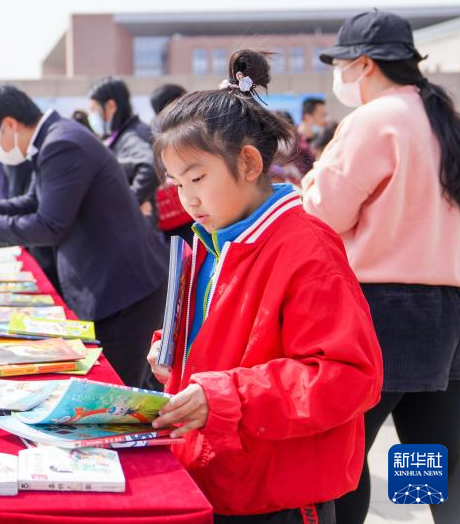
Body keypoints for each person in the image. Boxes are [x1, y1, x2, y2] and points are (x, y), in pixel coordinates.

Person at [146, 49, 383, 523]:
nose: (187, 199)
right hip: (222, 475)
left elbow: (348, 376)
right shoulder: (215, 236)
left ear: (250, 163)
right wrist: (172, 349)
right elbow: (223, 338)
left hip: (277, 493)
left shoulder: (306, 247)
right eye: (177, 184)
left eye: (197, 178)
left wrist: (225, 395)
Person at [303, 9, 460, 524]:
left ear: (365, 64)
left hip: (387, 311)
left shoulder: (375, 121)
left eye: (341, 64)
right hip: (452, 309)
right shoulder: (446, 120)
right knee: (433, 456)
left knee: (348, 456)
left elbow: (322, 214)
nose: (340, 76)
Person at [0, 84, 168, 387]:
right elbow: (34, 201)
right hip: (113, 284)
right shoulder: (53, 138)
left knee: (114, 392)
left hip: (124, 290)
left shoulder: (61, 144)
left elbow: (51, 225)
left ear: (8, 125)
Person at [88, 77, 159, 208]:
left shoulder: (133, 135)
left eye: (93, 109)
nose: (91, 116)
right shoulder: (120, 135)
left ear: (110, 106)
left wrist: (129, 202)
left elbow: (151, 166)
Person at [150, 84, 195, 244]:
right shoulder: (175, 129)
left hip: (171, 212)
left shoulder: (155, 127)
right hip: (181, 208)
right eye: (184, 99)